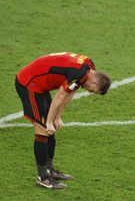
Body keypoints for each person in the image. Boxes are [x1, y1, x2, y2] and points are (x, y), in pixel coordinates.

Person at [15, 52, 111, 189]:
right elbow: (60, 95)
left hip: (41, 86)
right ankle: (43, 178)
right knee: (42, 129)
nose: (89, 91)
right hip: (29, 83)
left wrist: (57, 117)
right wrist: (49, 121)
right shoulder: (79, 74)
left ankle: (51, 170)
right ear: (94, 81)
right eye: (92, 90)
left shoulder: (88, 67)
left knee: (50, 127)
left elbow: (70, 92)